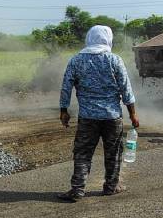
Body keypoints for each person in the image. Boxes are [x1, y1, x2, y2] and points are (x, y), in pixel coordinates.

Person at [58, 25, 139, 202]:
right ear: (107, 39)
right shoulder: (115, 60)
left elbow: (66, 88)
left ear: (89, 38)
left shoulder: (76, 60)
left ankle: (77, 189)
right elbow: (126, 89)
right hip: (112, 117)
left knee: (82, 153)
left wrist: (64, 110)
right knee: (113, 153)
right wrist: (132, 114)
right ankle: (111, 186)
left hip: (87, 117)